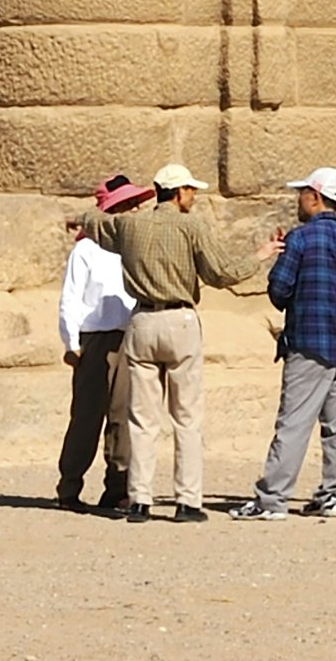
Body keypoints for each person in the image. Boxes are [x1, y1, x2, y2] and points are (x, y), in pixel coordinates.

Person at [93, 163, 257, 521]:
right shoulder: (191, 226)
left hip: (143, 321)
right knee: (186, 417)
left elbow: (94, 224)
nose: (194, 196)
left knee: (142, 418)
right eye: (191, 190)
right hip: (180, 320)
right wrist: (258, 258)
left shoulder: (129, 224)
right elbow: (221, 273)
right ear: (179, 192)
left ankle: (139, 499)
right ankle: (187, 501)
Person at [242, 167, 336, 520]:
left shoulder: (299, 240)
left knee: (294, 423)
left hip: (309, 344)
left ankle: (272, 499)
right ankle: (333, 494)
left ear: (315, 197)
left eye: (302, 193)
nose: (298, 200)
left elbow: (279, 292)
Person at [55, 178, 147, 516]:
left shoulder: (135, 244)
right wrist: (71, 342)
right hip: (95, 339)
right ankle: (69, 487)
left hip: (128, 335)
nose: (136, 210)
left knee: (123, 416)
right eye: (129, 204)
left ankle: (117, 488)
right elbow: (72, 298)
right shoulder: (86, 249)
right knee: (86, 417)